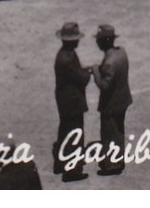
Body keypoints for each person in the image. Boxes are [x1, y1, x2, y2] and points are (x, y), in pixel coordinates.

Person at [53, 21, 92, 182]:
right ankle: (72, 170)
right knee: (75, 134)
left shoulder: (64, 54)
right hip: (72, 102)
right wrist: (88, 72)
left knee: (65, 132)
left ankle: (61, 163)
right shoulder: (67, 59)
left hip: (65, 101)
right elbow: (82, 79)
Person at [93, 24, 132, 177]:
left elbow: (104, 85)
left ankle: (111, 165)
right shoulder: (121, 53)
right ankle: (119, 159)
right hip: (123, 99)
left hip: (111, 103)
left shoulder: (109, 62)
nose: (97, 42)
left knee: (109, 133)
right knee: (118, 131)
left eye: (99, 40)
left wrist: (96, 71)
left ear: (103, 42)